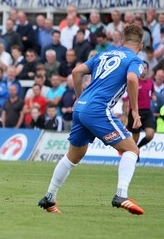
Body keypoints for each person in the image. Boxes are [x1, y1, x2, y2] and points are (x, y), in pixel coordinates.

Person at [38, 24, 145, 215]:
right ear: (141, 44)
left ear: (121, 41)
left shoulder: (104, 54)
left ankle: (49, 197)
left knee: (74, 155)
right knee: (132, 149)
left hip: (81, 107)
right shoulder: (135, 60)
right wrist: (135, 112)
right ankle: (121, 194)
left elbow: (76, 71)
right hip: (98, 109)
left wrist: (79, 97)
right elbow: (132, 79)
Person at [124, 61, 155, 160]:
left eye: (145, 68)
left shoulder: (150, 82)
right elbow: (126, 98)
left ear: (148, 70)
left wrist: (153, 97)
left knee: (150, 134)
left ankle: (137, 148)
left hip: (147, 112)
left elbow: (151, 93)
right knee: (135, 137)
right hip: (135, 111)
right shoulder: (134, 81)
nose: (143, 70)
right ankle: (134, 154)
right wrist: (126, 113)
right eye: (142, 68)